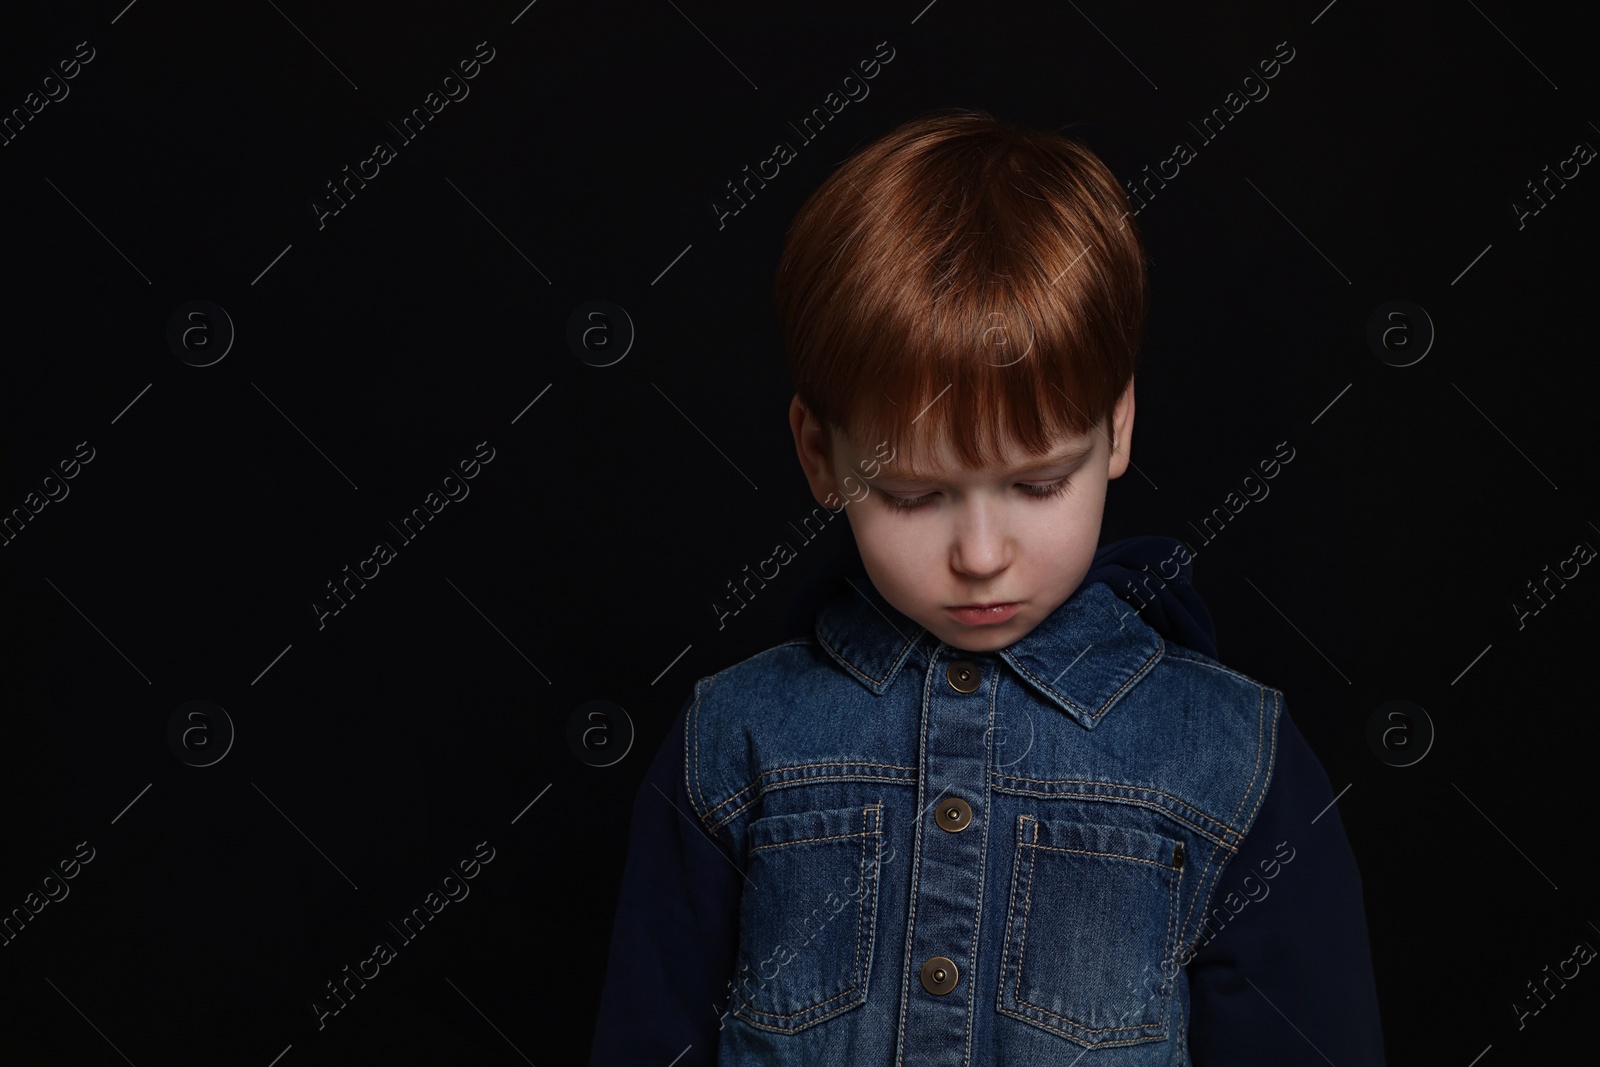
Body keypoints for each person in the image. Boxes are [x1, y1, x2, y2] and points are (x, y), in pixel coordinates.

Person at [587, 109, 1384, 1065]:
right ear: (818, 454)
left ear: (1117, 428)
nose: (980, 553)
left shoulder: (1232, 755)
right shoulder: (733, 738)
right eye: (914, 495)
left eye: (1038, 483)